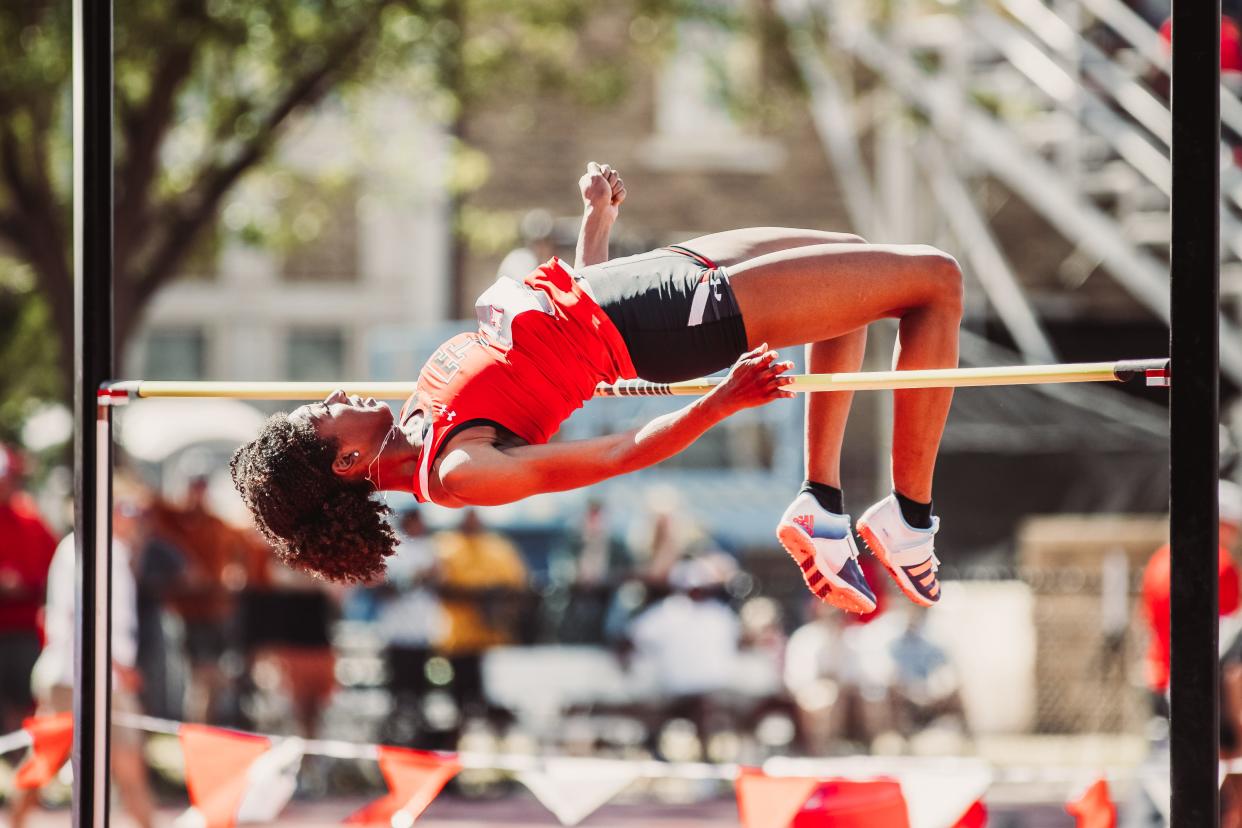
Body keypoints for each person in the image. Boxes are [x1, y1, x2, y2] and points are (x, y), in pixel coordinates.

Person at [231, 162, 963, 614]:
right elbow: (613, 457)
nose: (333, 396)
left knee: (863, 267)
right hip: (667, 321)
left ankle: (823, 504)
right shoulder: (458, 471)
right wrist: (719, 401)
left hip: (633, 285)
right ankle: (909, 517)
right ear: (347, 465)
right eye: (324, 416)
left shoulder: (420, 416)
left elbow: (559, 352)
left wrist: (595, 227)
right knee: (934, 280)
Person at [11, 490, 154, 828]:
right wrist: (120, 666)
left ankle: (15, 819)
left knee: (122, 760)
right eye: (125, 509)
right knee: (51, 758)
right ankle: (14, 819)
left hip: (94, 674)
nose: (133, 519)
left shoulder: (109, 551)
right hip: (80, 675)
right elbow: (81, 617)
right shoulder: (88, 550)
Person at [1140, 479, 1242, 707]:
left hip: (1159, 677)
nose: (1235, 536)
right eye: (1233, 527)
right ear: (1221, 524)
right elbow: (1228, 637)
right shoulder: (1221, 564)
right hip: (1202, 686)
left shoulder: (1158, 560)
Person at [0, 445, 57, 737]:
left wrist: (25, 583)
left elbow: (54, 565)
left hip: (23, 629)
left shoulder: (29, 519)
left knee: (23, 699)